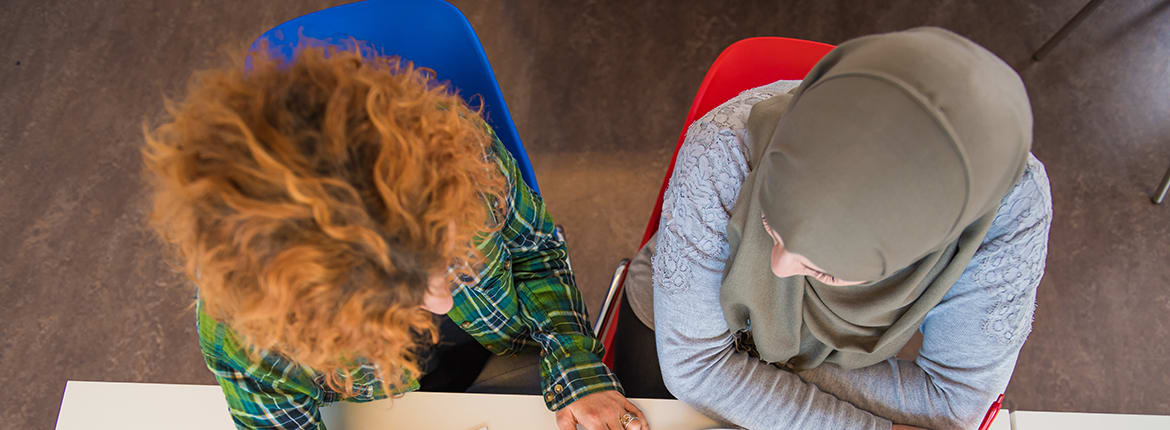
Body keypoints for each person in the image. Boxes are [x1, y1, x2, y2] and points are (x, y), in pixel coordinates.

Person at [142, 45, 647, 430]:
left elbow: (535, 252)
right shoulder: (247, 329)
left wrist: (575, 367)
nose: (444, 300)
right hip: (364, 404)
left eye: (448, 254)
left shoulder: (452, 154)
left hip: (502, 346)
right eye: (408, 286)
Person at [617, 27, 1051, 429]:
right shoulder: (724, 146)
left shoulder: (1011, 210)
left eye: (824, 268)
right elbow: (694, 367)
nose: (778, 269)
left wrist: (738, 367)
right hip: (672, 327)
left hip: (764, 352)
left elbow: (955, 402)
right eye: (769, 226)